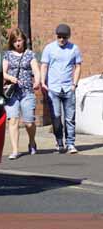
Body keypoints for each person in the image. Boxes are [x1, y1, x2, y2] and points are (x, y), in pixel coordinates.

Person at [40, 23, 82, 154]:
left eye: (64, 37)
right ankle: (59, 141)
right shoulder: (49, 48)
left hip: (68, 88)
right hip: (53, 88)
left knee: (70, 118)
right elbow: (44, 65)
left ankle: (70, 143)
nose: (61, 39)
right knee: (56, 118)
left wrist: (74, 84)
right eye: (59, 37)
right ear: (56, 36)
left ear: (68, 37)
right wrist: (42, 81)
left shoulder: (74, 49)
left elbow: (78, 66)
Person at [2, 28, 41, 160]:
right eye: (14, 41)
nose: (17, 43)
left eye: (19, 40)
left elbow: (36, 70)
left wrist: (37, 81)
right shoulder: (7, 55)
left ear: (24, 40)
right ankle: (15, 150)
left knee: (29, 122)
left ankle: (32, 141)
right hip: (12, 92)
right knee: (13, 120)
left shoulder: (29, 54)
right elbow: (3, 72)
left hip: (27, 92)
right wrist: (10, 78)